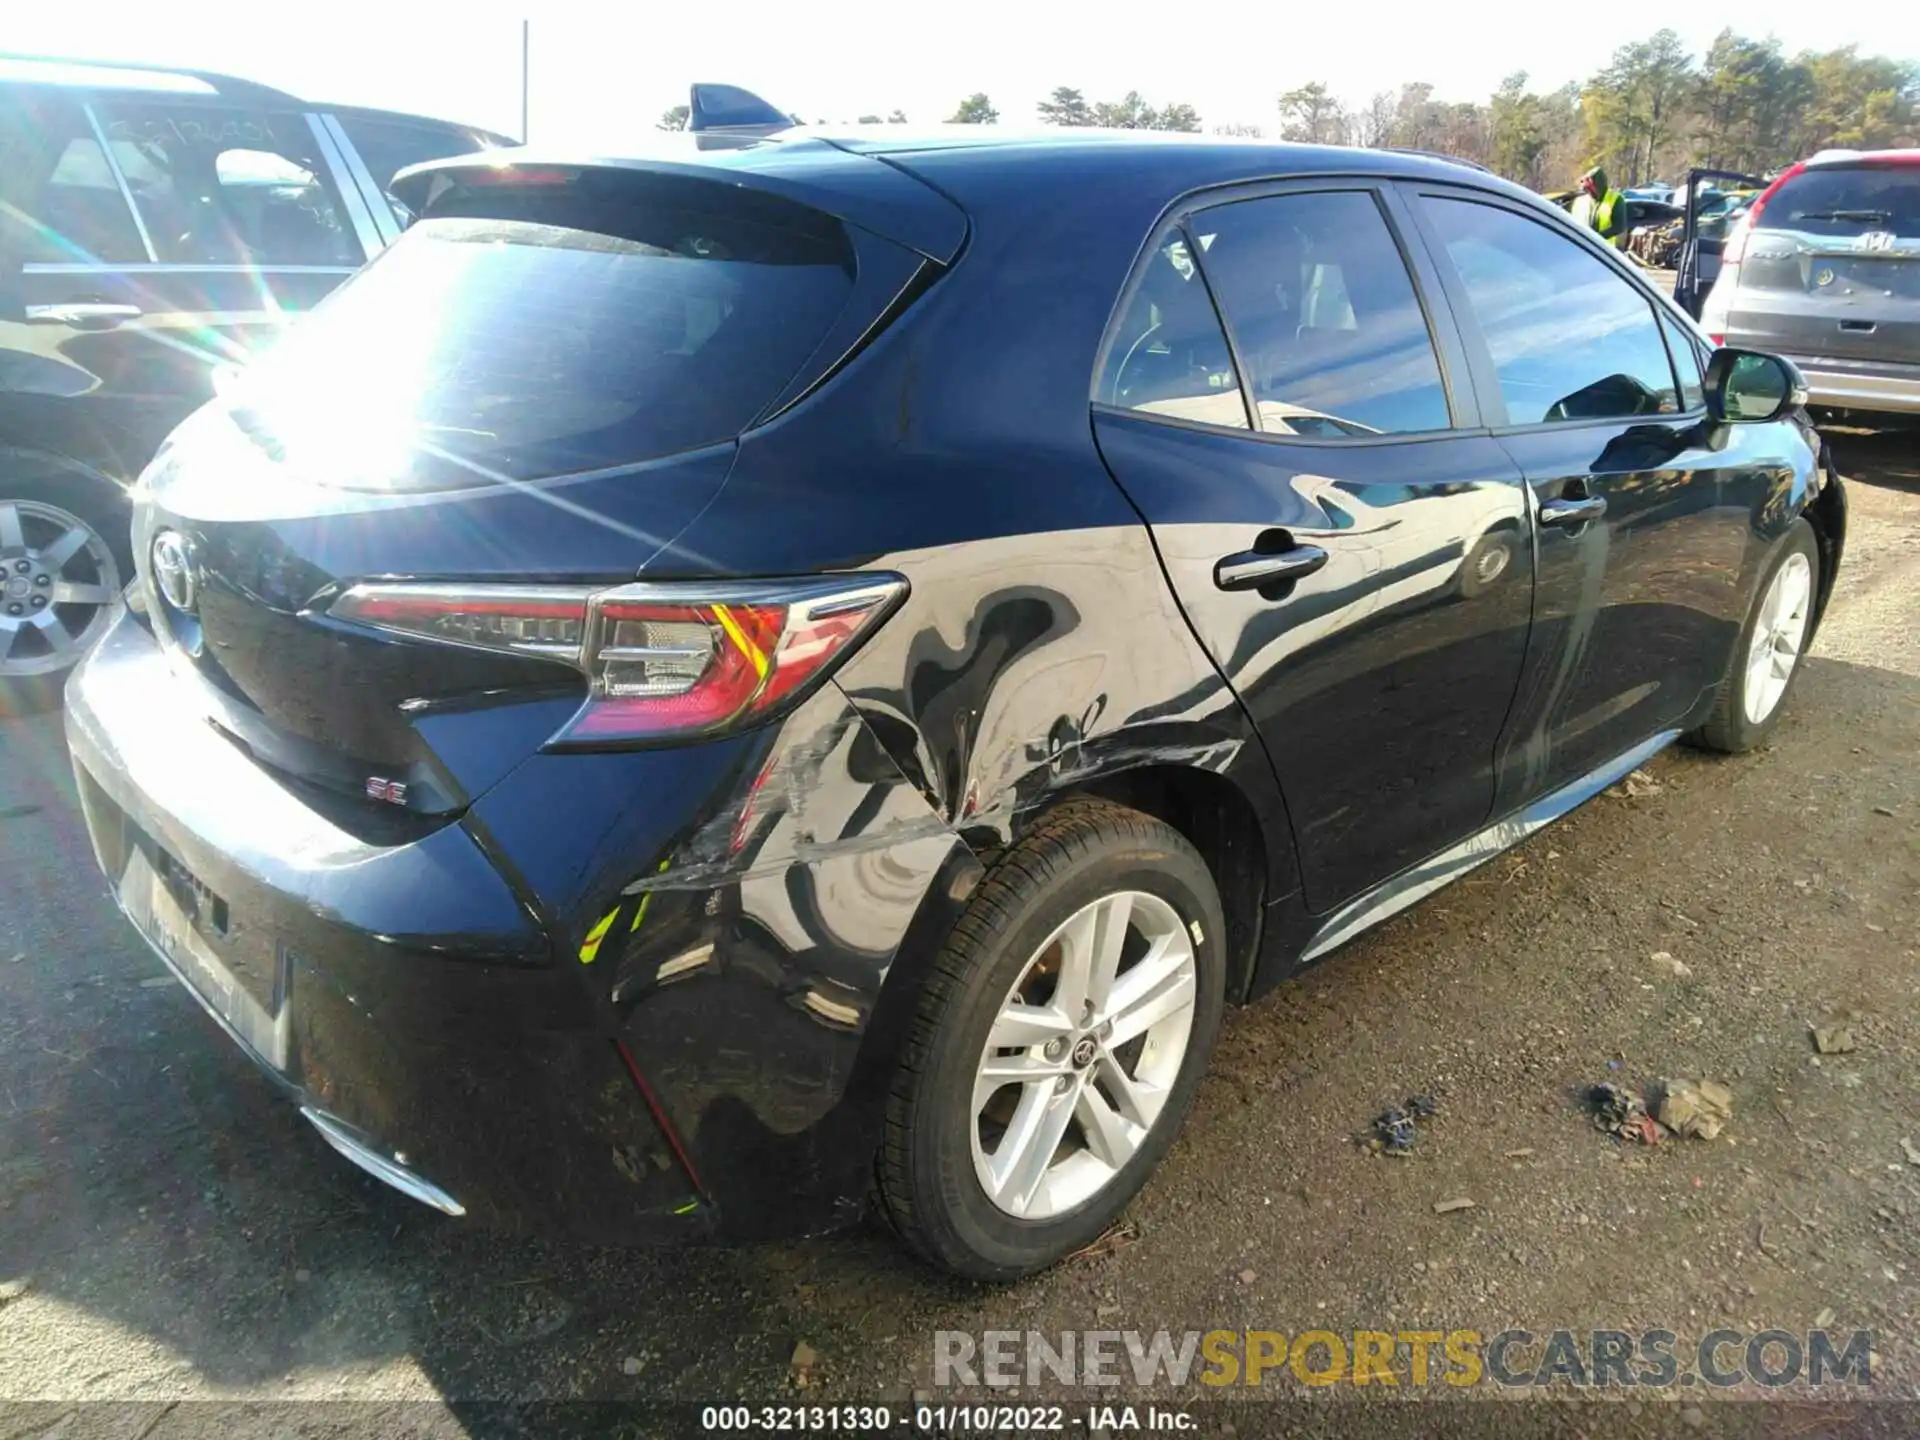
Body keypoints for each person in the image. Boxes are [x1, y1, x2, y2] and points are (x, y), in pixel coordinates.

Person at [1570, 166, 1629, 249]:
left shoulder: (1615, 199)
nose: (1589, 192)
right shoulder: (1580, 201)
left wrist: (1596, 238)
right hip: (1581, 249)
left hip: (1603, 252)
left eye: (1590, 188)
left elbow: (1619, 227)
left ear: (1598, 186)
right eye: (1587, 189)